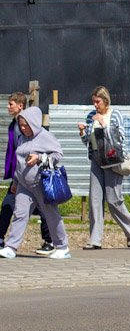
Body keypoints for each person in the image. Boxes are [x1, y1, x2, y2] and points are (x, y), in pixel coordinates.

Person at [0, 106, 69, 259]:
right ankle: (11, 247)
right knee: (20, 214)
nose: (23, 128)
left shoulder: (46, 137)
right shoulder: (22, 138)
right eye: (21, 125)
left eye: (26, 125)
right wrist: (16, 182)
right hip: (24, 186)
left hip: (42, 184)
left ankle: (62, 246)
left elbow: (58, 154)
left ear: (34, 123)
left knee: (51, 215)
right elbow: (18, 162)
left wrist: (39, 157)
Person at [78, 86, 130, 249]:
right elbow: (88, 142)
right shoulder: (91, 116)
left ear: (105, 101)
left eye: (98, 102)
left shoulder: (115, 115)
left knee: (113, 199)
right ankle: (95, 240)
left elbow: (120, 138)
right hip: (97, 159)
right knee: (95, 201)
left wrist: (103, 124)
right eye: (94, 102)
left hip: (112, 159)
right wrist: (83, 133)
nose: (95, 105)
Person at [2, 92, 54, 252]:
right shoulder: (14, 124)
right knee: (13, 207)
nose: (7, 107)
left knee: (14, 206)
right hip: (19, 174)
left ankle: (50, 240)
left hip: (28, 174)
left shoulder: (23, 127)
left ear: (20, 106)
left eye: (11, 104)